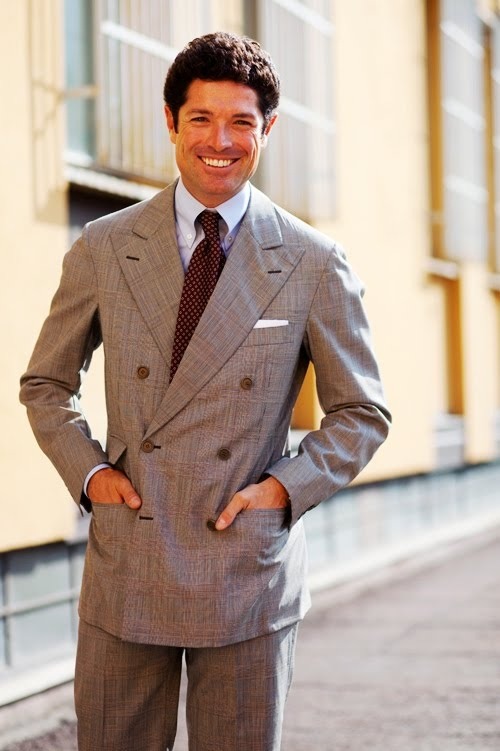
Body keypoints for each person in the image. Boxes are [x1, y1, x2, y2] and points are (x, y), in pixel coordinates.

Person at [20, 31, 390, 751]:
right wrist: (90, 474)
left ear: (268, 129)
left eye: (241, 122)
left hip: (245, 564)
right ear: (170, 121)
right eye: (201, 119)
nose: (220, 141)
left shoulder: (312, 261)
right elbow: (46, 382)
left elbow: (362, 412)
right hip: (131, 551)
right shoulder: (105, 245)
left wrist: (282, 491)